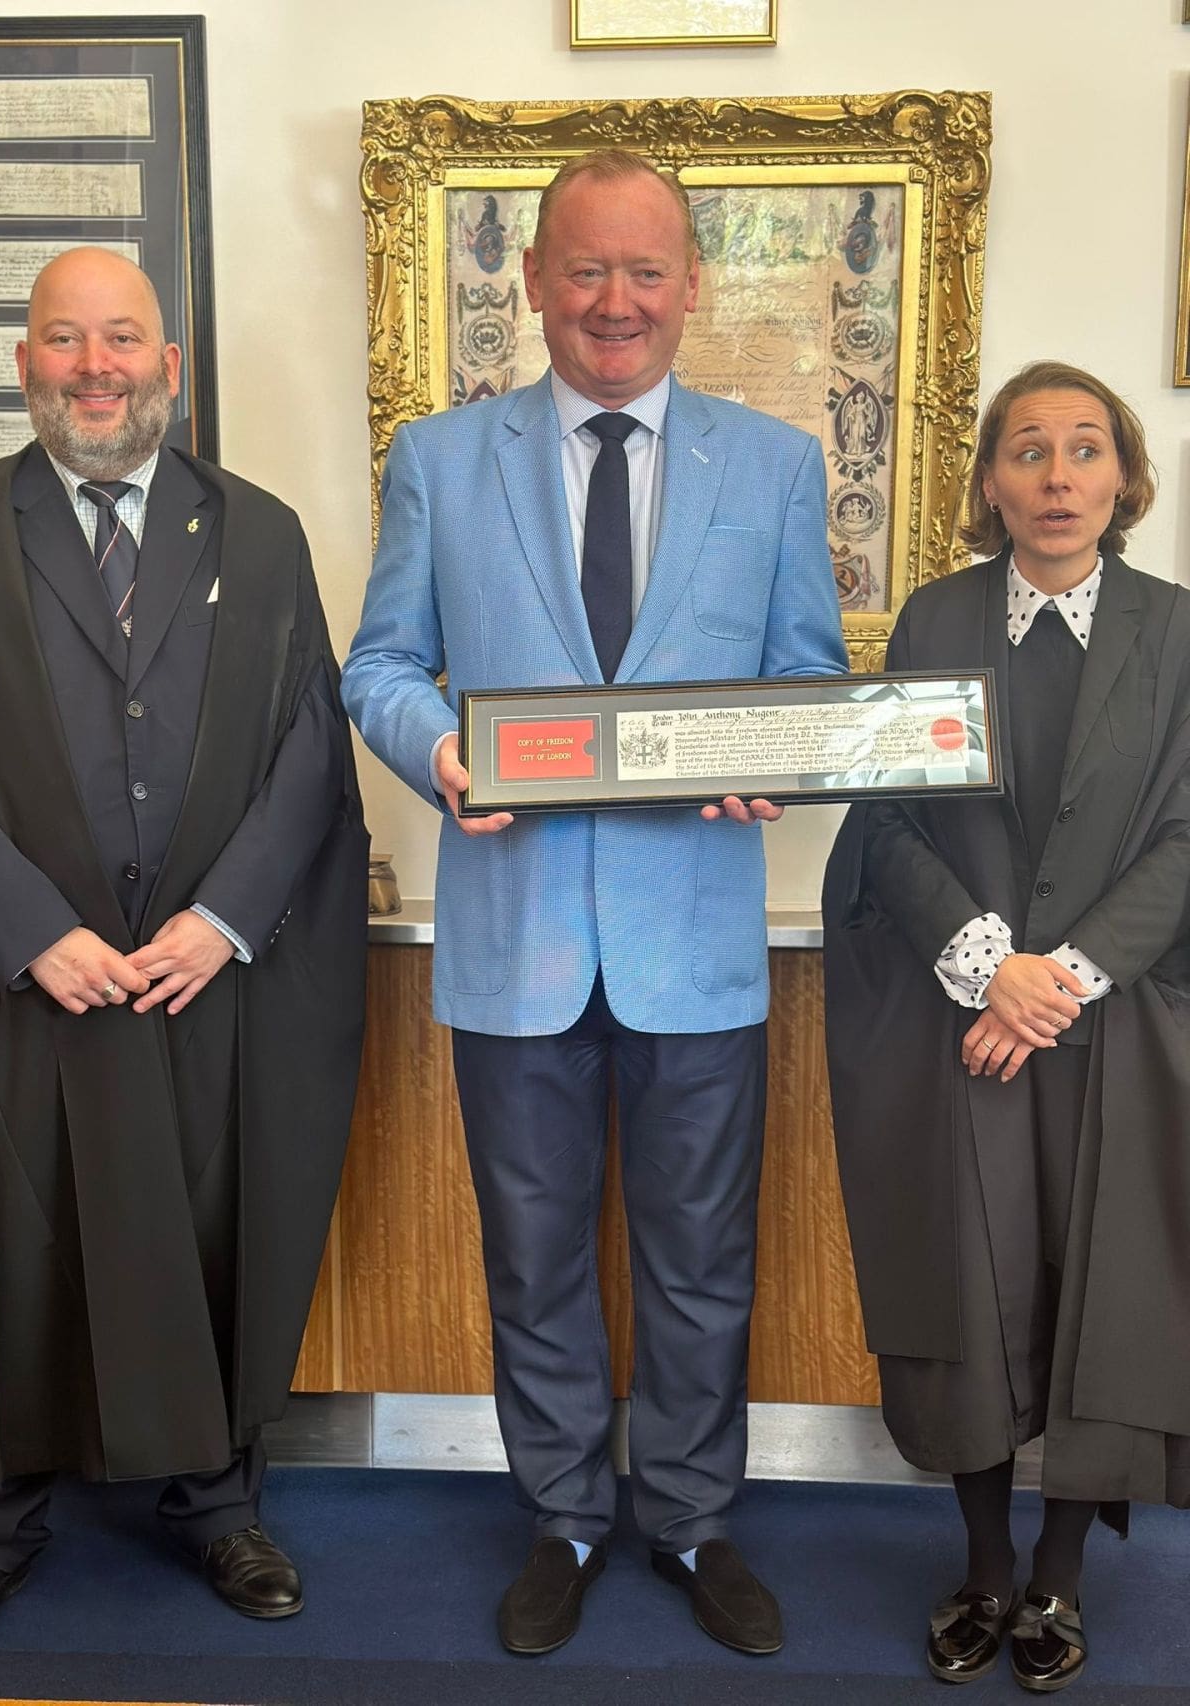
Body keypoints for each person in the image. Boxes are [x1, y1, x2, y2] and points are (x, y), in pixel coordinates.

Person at [342, 149, 846, 1657]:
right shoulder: (441, 457)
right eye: (584, 269)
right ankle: (562, 1512)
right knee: (535, 1250)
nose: (614, 303)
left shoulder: (771, 465)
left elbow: (812, 677)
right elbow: (380, 665)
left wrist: (782, 757)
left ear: (692, 286)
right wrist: (437, 749)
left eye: (645, 272)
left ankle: (689, 1518)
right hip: (517, 948)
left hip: (696, 948)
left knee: (703, 1259)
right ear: (532, 282)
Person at [0, 248, 368, 1659]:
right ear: (23, 365)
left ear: (172, 364)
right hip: (18, 981)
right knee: (5, 1233)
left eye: (123, 340)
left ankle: (217, 1498)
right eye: (65, 339)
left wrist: (220, 918)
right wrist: (31, 926)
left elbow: (310, 742)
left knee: (214, 1217)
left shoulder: (261, 533)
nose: (95, 366)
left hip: (196, 976)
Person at [823, 361, 1190, 1692]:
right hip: (958, 1026)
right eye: (1027, 450)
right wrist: (990, 969)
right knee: (968, 1296)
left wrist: (1062, 978)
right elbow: (890, 818)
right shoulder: (933, 618)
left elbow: (1187, 837)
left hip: (1115, 1033)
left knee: (1106, 1302)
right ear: (989, 480)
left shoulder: (1179, 630)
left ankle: (1063, 1576)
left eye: (1084, 449)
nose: (1055, 475)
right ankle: (982, 1563)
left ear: (1123, 478)